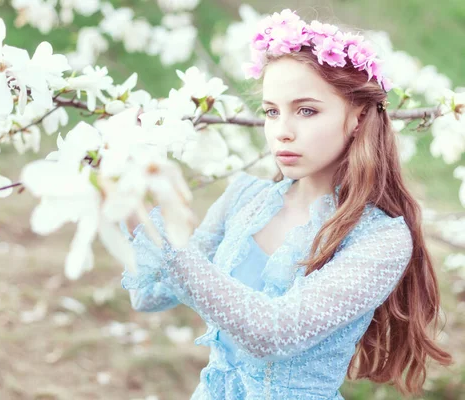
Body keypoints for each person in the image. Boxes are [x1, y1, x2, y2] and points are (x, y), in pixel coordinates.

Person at [120, 9, 452, 399]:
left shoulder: (381, 239)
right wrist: (137, 202)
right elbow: (149, 294)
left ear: (359, 117)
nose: (282, 132)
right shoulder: (244, 197)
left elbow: (272, 333)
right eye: (272, 112)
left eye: (306, 111)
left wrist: (163, 241)